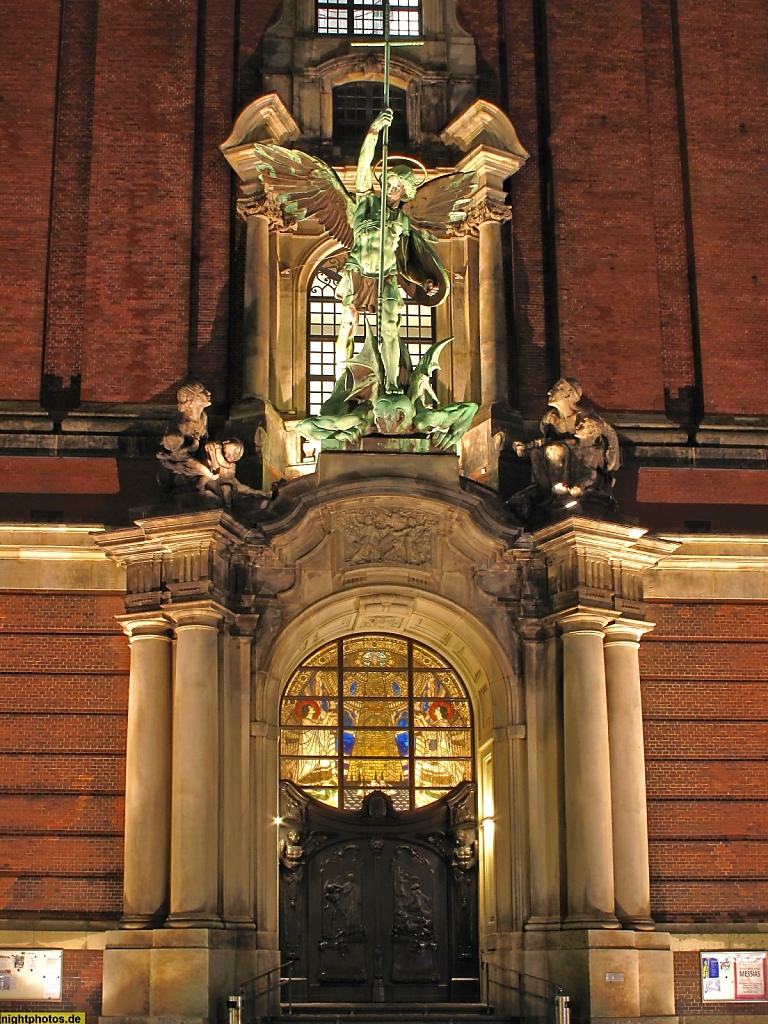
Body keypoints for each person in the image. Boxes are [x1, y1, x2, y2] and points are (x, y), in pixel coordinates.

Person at [335, 109, 447, 393]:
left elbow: (405, 261)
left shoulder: (402, 221)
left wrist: (424, 281)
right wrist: (373, 133)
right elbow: (362, 168)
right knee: (348, 322)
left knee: (389, 328)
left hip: (387, 276)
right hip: (359, 271)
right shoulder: (365, 204)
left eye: (397, 186)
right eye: (388, 182)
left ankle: (394, 384)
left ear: (405, 192)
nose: (390, 188)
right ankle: (343, 380)